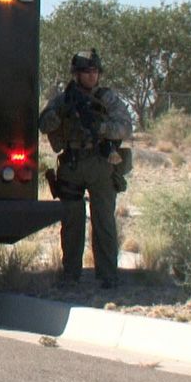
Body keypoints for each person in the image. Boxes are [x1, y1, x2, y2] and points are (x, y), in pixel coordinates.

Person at [39, 49, 133, 289]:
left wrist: (100, 127)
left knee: (103, 221)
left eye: (95, 71)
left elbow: (124, 127)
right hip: (72, 163)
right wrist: (60, 113)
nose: (92, 76)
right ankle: (71, 273)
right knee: (71, 222)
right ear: (76, 74)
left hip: (101, 163)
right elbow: (44, 124)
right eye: (86, 72)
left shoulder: (106, 98)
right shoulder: (64, 99)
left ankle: (107, 275)